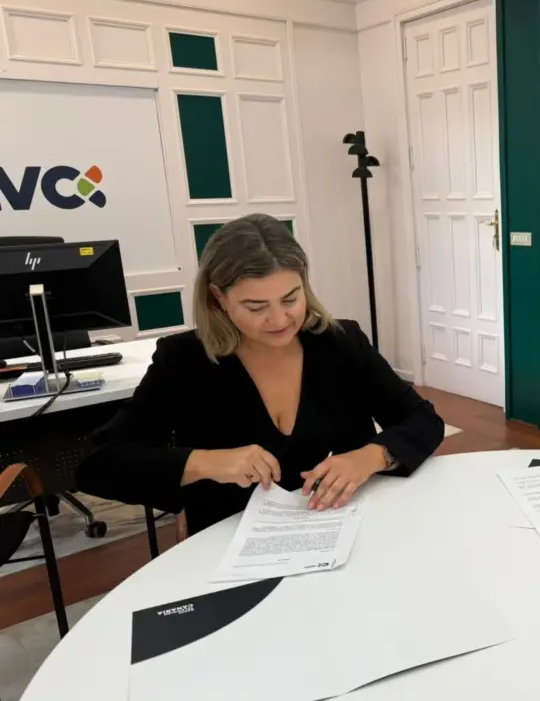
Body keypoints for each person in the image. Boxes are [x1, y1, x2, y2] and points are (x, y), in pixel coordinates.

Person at [76, 214, 445, 534]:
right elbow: (98, 463)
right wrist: (204, 463)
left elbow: (423, 420)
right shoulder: (184, 360)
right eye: (256, 306)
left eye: (290, 299)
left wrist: (373, 456)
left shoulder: (341, 342)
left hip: (343, 531)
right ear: (218, 298)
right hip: (230, 542)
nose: (279, 320)